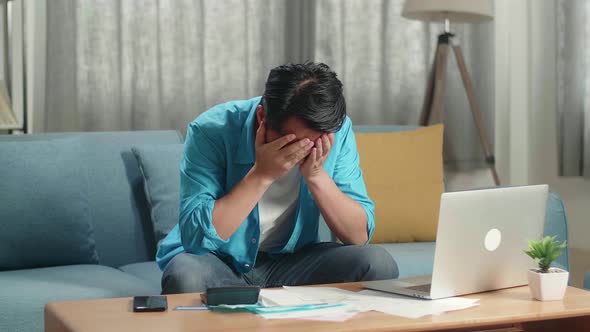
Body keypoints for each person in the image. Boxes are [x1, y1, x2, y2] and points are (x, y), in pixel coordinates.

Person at [157, 62, 398, 294]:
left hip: (293, 262)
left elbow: (358, 236)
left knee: (377, 263)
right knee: (185, 275)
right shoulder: (212, 129)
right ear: (263, 117)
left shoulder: (337, 130)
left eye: (314, 142)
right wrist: (261, 174)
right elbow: (196, 237)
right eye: (293, 141)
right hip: (218, 260)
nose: (304, 149)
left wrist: (315, 175)